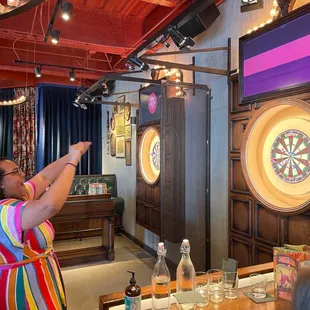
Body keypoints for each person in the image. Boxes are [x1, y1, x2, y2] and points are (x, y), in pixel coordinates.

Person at [0, 141, 92, 309]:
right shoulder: (4, 211)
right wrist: (72, 162)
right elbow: (49, 206)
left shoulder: (21, 195)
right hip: (22, 288)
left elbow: (44, 177)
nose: (22, 174)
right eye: (15, 172)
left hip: (44, 277)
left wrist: (76, 152)